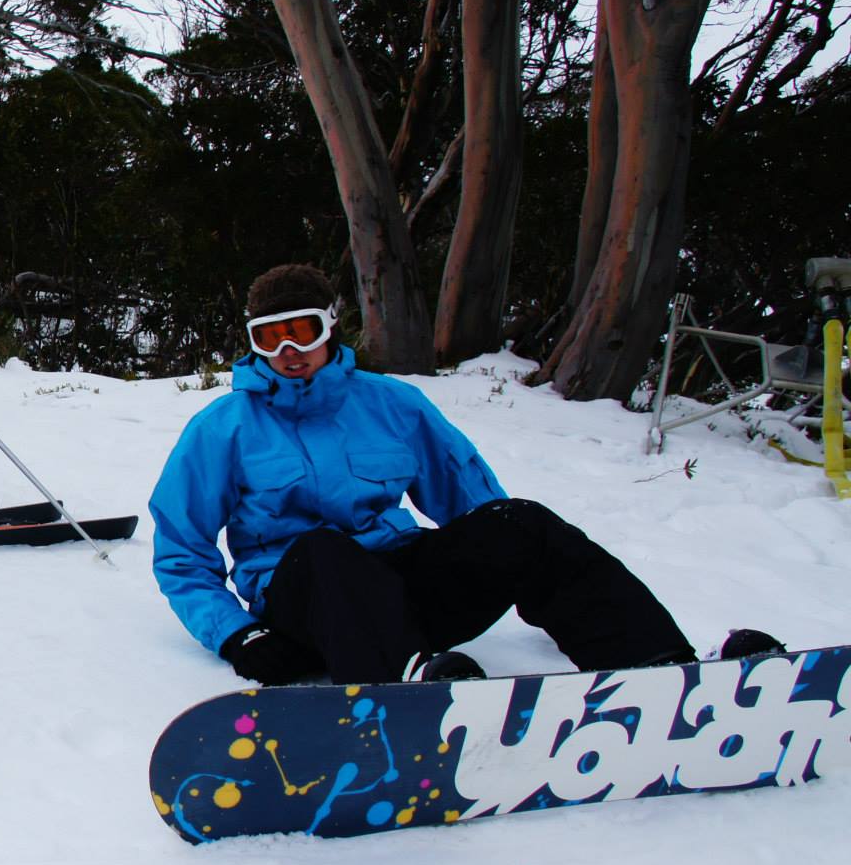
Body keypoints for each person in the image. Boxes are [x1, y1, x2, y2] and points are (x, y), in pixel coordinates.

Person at [147, 263, 778, 686]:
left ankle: (657, 668)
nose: (288, 351)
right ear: (254, 344)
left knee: (520, 523)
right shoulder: (223, 427)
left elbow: (476, 511)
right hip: (306, 605)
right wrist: (238, 637)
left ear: (330, 327)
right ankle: (413, 688)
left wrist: (514, 561)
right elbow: (182, 551)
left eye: (302, 331)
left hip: (401, 591)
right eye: (269, 338)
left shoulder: (392, 404)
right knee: (322, 550)